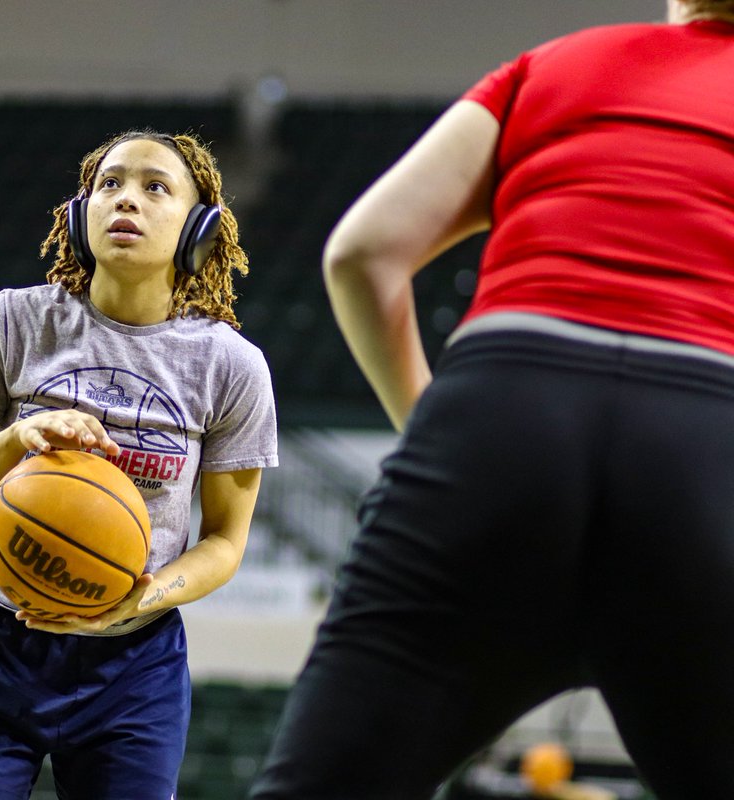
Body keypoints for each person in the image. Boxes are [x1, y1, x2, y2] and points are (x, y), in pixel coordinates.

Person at [250, 2, 734, 798]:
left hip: (501, 412)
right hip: (701, 434)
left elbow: (362, 255)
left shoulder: (555, 62)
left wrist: (428, 441)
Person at [0, 129, 277, 800]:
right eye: (108, 185)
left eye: (154, 187)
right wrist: (16, 441)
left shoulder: (231, 366)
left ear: (198, 228)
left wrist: (141, 597)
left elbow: (225, 543)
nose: (125, 200)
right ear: (81, 215)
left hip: (132, 661)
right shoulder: (14, 322)